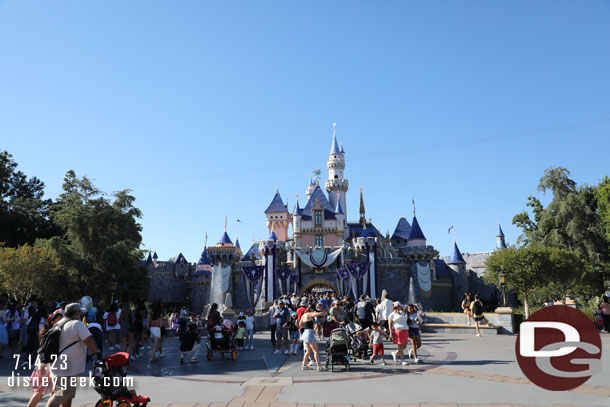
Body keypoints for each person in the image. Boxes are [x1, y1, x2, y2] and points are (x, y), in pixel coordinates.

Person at [46, 303, 101, 407]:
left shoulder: (59, 323)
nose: (81, 314)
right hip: (67, 367)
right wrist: (94, 350)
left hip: (57, 364)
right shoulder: (77, 324)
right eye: (80, 312)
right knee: (62, 395)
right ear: (76, 313)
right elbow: (88, 340)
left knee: (66, 396)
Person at [27, 310, 63, 407]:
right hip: (48, 364)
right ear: (52, 321)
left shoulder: (46, 332)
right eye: (59, 319)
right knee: (41, 391)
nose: (61, 321)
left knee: (54, 391)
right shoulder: (54, 333)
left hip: (43, 363)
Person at [299, 304, 327, 371]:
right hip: (310, 333)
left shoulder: (303, 315)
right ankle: (319, 366)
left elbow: (300, 324)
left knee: (308, 351)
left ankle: (304, 365)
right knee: (316, 351)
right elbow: (317, 314)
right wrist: (323, 312)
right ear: (311, 309)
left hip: (305, 333)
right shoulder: (309, 314)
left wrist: (306, 325)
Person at [388, 302, 410, 366]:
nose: (401, 307)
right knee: (400, 346)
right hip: (398, 331)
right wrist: (391, 332)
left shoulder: (402, 313)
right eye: (400, 306)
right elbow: (389, 324)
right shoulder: (391, 315)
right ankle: (402, 360)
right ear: (397, 307)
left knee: (404, 346)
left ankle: (395, 353)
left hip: (405, 330)